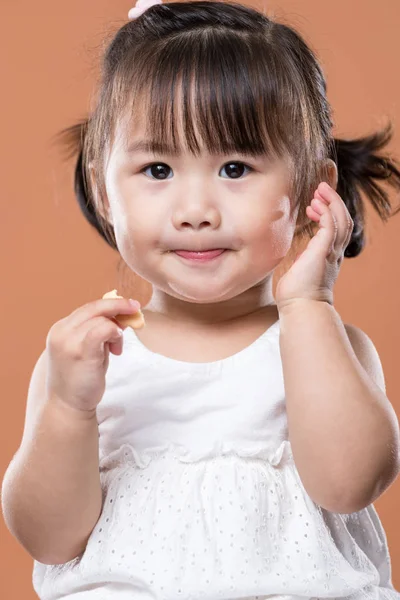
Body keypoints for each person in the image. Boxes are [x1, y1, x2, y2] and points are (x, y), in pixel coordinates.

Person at [2, 1, 400, 599]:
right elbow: (50, 539)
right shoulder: (90, 361)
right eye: (158, 169)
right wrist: (67, 408)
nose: (195, 213)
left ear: (311, 187)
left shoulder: (323, 345)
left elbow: (350, 484)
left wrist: (308, 306)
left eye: (235, 167)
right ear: (103, 189)